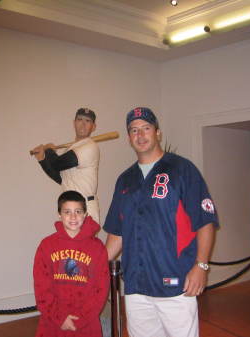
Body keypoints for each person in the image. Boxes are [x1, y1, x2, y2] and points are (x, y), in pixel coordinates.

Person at [103, 107, 218, 337]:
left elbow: (205, 221)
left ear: (158, 133)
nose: (140, 135)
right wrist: (96, 266)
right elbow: (118, 233)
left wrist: (201, 266)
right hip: (136, 286)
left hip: (175, 284)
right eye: (134, 130)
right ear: (129, 138)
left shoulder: (182, 170)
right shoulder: (125, 180)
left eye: (146, 128)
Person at [33, 190, 109, 337]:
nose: (73, 217)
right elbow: (41, 287)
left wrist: (82, 318)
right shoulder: (46, 246)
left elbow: (101, 288)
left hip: (87, 322)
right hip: (53, 322)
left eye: (78, 211)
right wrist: (59, 317)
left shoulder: (97, 248)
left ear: (85, 214)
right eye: (67, 211)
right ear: (59, 214)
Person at [31, 108, 100, 222]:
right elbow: (60, 178)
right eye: (80, 119)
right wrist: (42, 159)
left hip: (85, 207)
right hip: (69, 207)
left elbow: (57, 163)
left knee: (84, 240)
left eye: (88, 121)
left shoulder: (90, 146)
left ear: (94, 126)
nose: (83, 124)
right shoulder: (71, 149)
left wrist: (49, 150)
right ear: (74, 123)